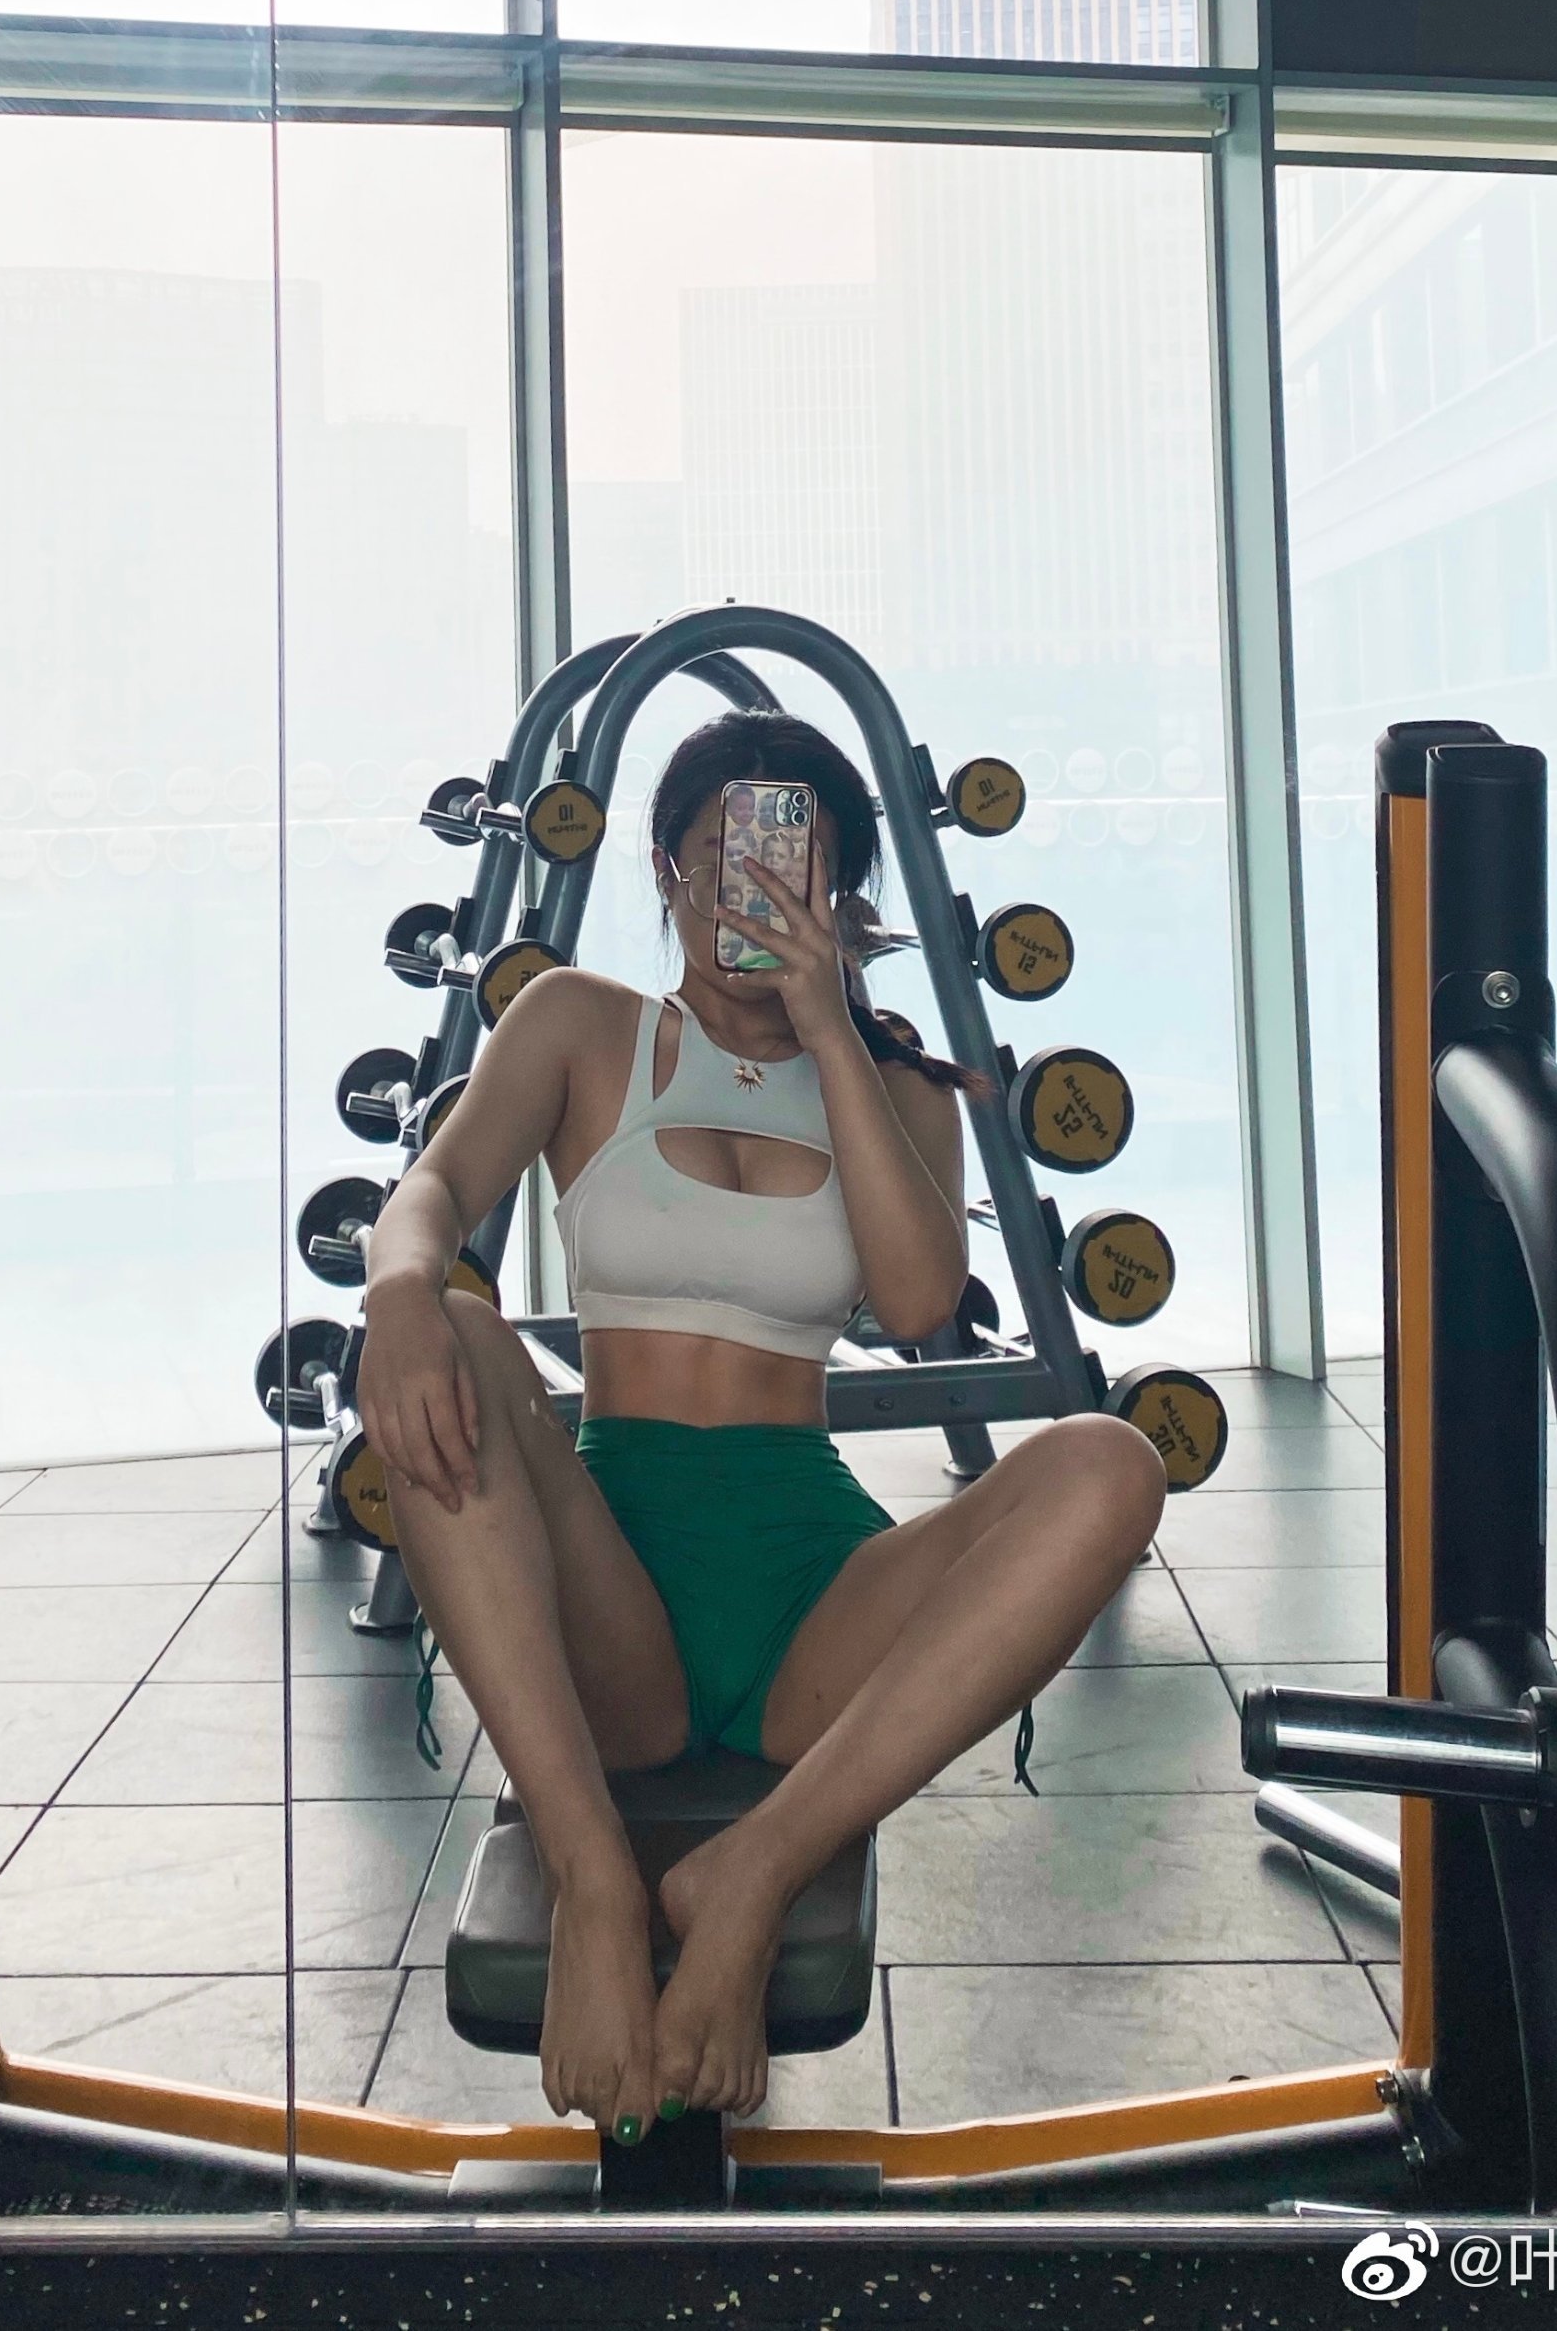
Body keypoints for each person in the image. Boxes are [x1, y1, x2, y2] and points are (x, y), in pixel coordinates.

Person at [356, 711, 1167, 2143]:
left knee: (1112, 1460)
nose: (752, 885)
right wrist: (404, 1291)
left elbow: (918, 1302)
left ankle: (753, 1871)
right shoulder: (583, 1026)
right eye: (720, 855)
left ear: (838, 890)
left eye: (795, 863)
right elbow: (432, 1188)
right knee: (464, 1335)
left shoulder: (900, 1088)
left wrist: (830, 1026)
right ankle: (595, 1880)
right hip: (613, 1576)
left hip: (814, 1592)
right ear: (669, 871)